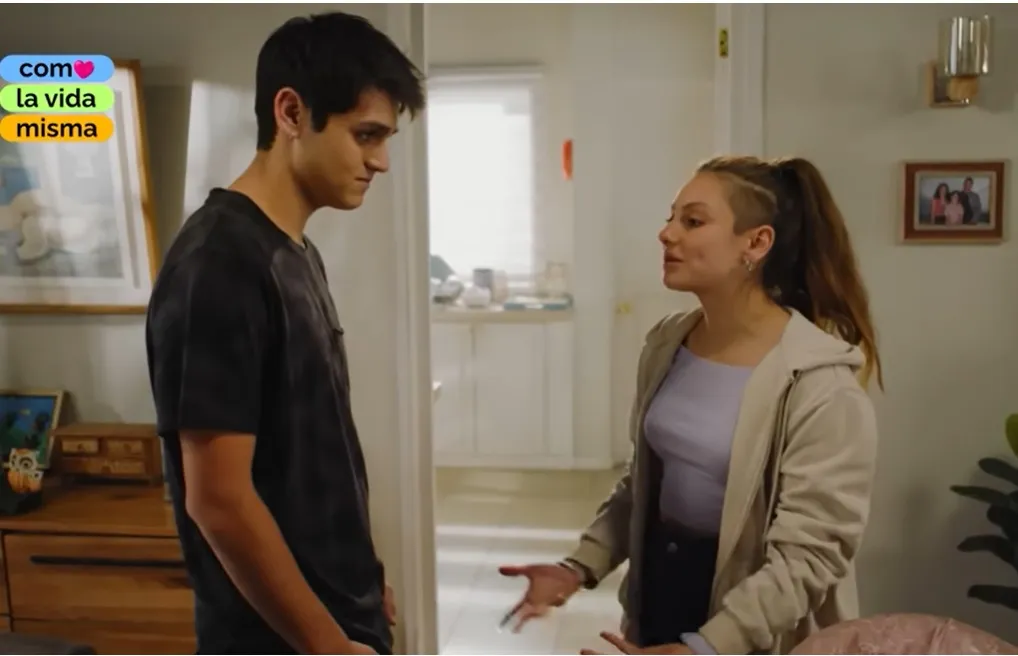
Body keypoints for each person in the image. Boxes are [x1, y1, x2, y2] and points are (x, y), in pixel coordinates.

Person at [500, 156, 881, 655]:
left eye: (693, 221)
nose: (666, 234)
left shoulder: (819, 385)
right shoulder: (668, 344)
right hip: (663, 601)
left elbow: (809, 559)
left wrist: (704, 647)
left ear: (756, 243)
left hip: (752, 631)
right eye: (671, 218)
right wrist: (578, 567)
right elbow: (642, 485)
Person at [145, 12, 424, 655]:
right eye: (366, 135)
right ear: (292, 113)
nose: (381, 162)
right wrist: (327, 643)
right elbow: (218, 499)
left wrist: (363, 577)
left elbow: (313, 451)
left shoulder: (293, 251)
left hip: (335, 613)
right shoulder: (218, 264)